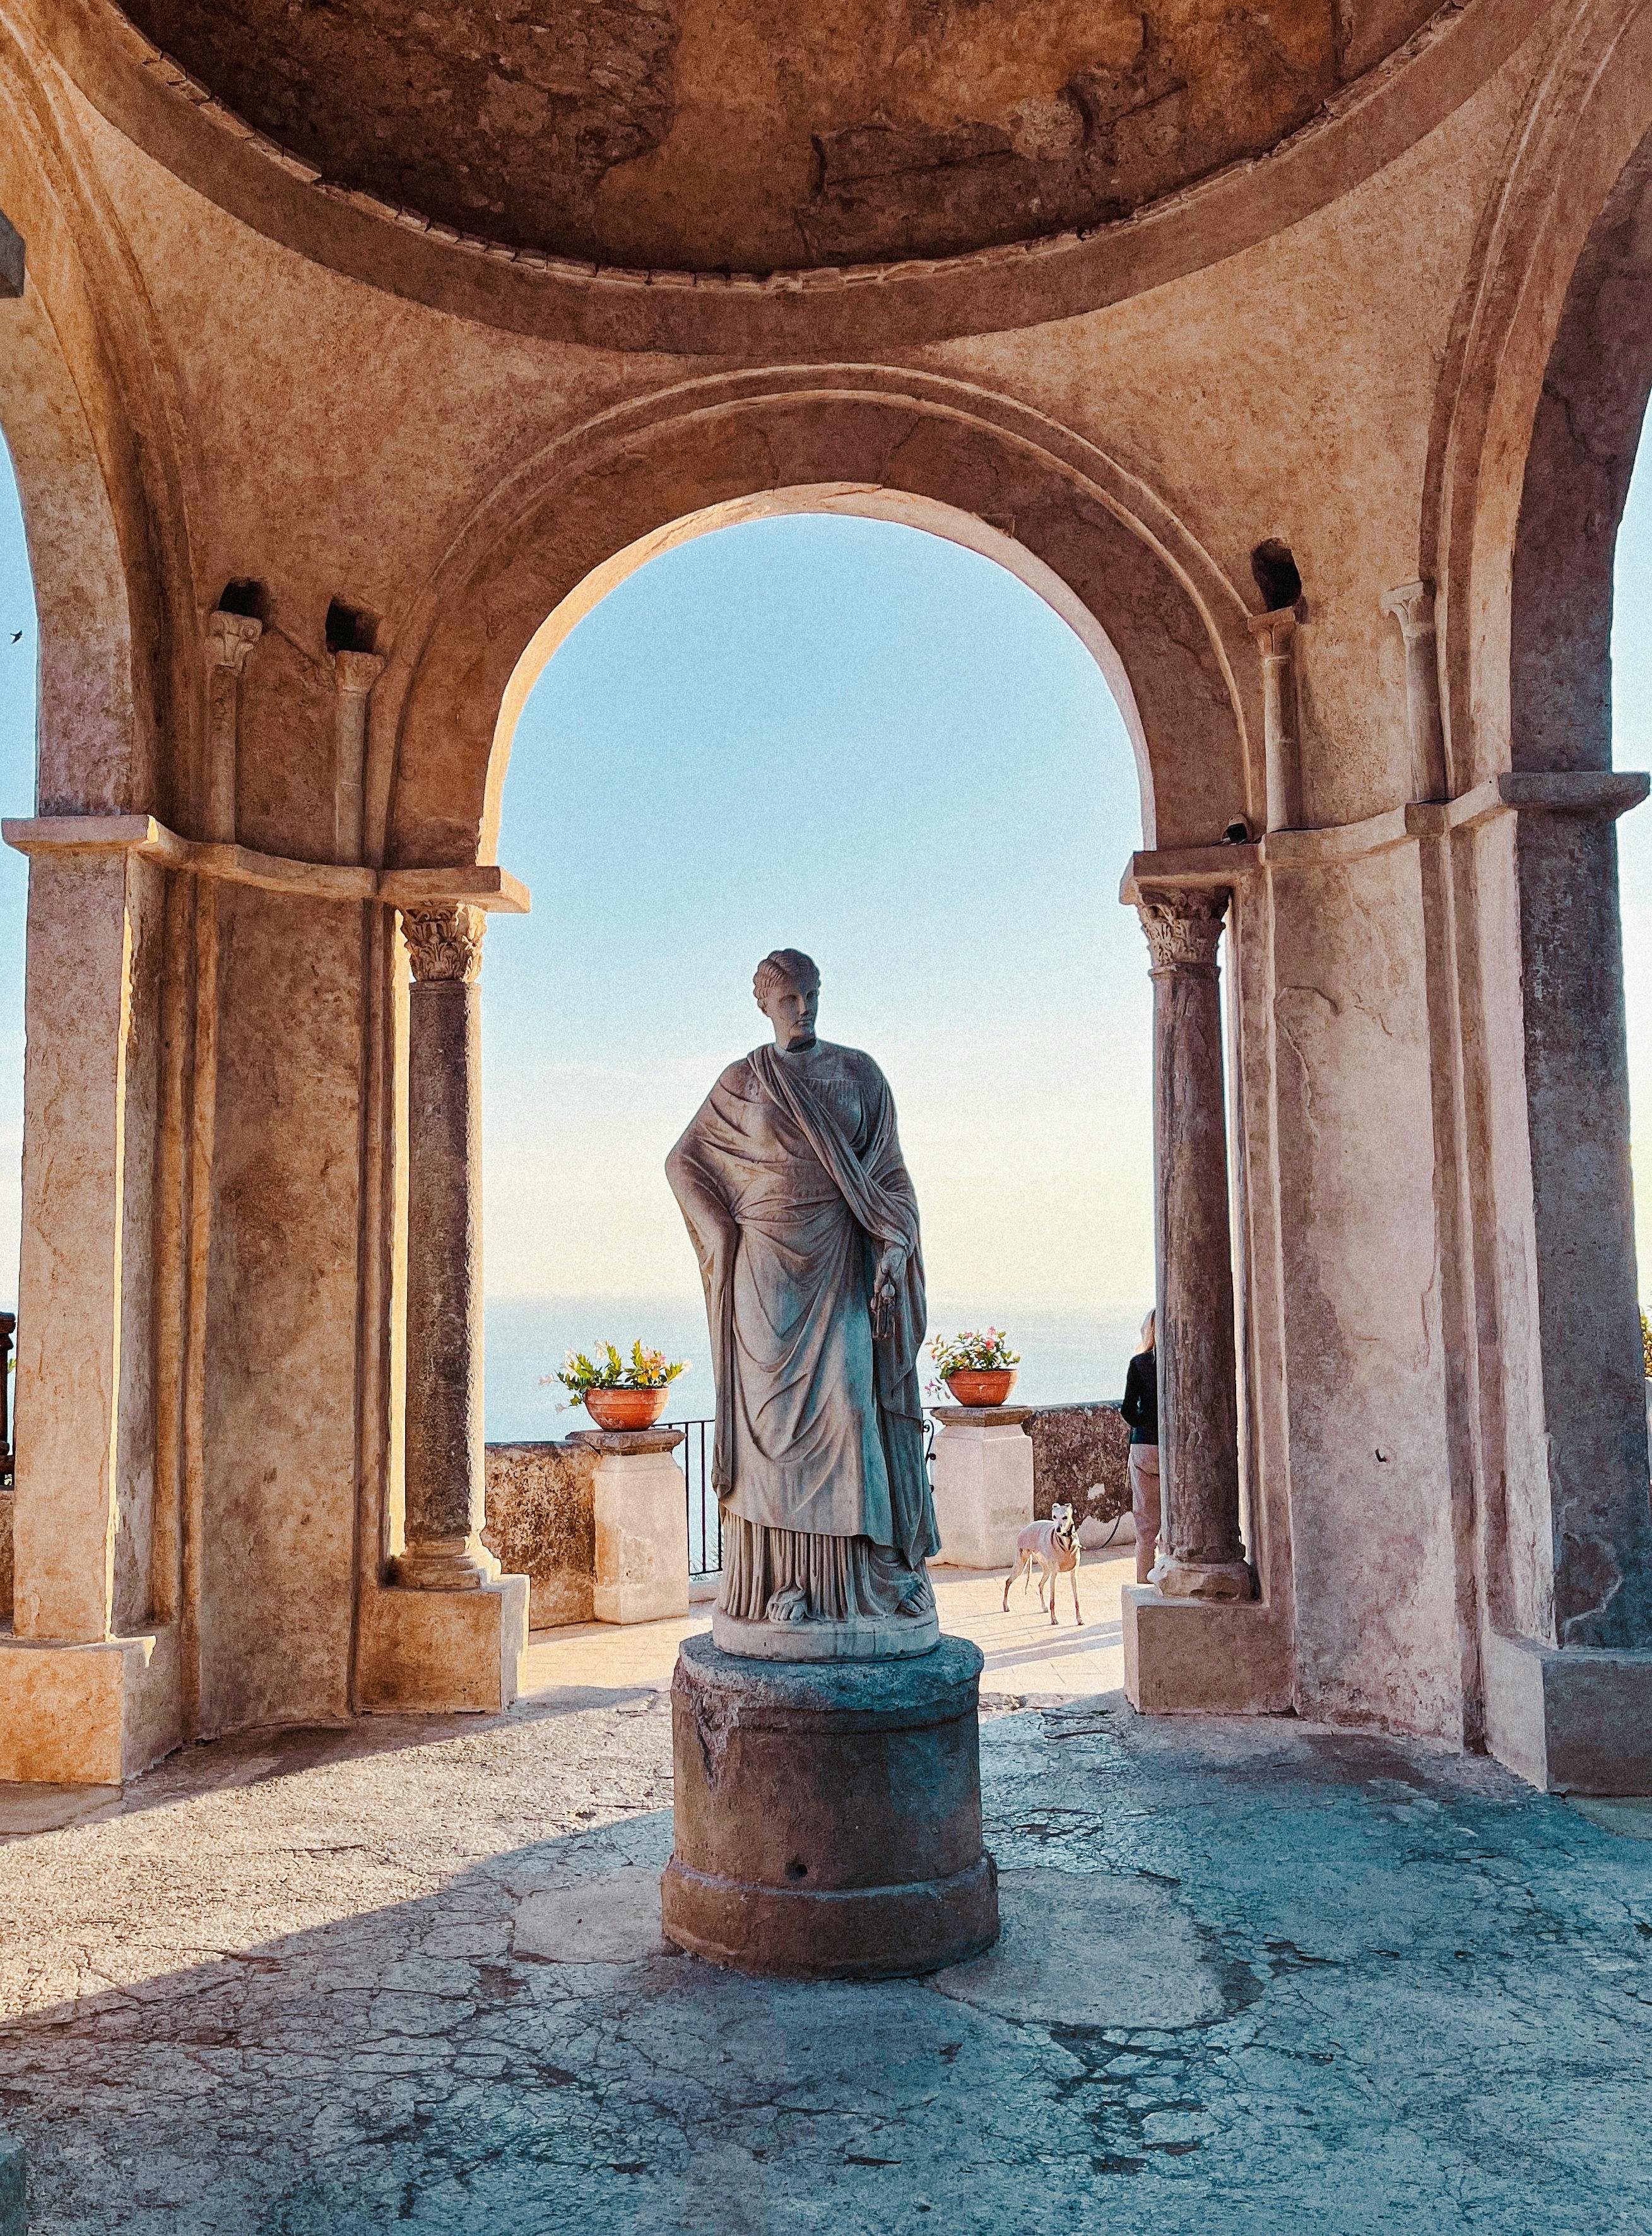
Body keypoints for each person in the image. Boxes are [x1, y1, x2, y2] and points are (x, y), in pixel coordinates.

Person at [665, 949, 938, 1631]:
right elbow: (683, 1161)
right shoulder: (742, 1081)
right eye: (789, 999)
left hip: (840, 1264)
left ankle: (868, 1581)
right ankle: (783, 1583)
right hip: (764, 1276)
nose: (804, 1008)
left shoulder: (859, 1074)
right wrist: (719, 1232)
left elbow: (891, 1176)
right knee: (773, 1436)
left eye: (812, 994)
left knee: (852, 1405)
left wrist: (894, 1242)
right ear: (764, 1005)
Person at [1121, 1310, 1160, 1585]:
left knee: (1146, 1527)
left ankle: (1144, 1585)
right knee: (1175, 1524)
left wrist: (1143, 1423)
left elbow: (1127, 1409)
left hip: (1145, 1446)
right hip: (1174, 1447)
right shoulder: (1178, 1362)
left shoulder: (1139, 1363)